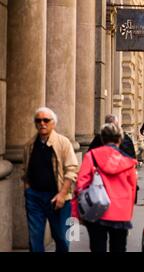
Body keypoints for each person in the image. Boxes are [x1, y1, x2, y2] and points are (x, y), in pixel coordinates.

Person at [72, 123, 137, 252]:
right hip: (121, 212)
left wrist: (80, 210)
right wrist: (128, 212)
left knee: (97, 247)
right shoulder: (127, 161)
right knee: (118, 248)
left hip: (97, 209)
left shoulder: (91, 156)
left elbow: (81, 184)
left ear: (102, 139)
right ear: (119, 139)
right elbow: (132, 188)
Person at [23, 107, 79, 252]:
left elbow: (72, 170)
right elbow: (26, 170)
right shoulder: (30, 145)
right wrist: (27, 189)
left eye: (46, 120)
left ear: (53, 123)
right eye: (38, 120)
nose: (42, 123)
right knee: (35, 239)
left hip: (58, 198)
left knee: (62, 239)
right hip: (35, 197)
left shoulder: (63, 143)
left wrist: (62, 194)